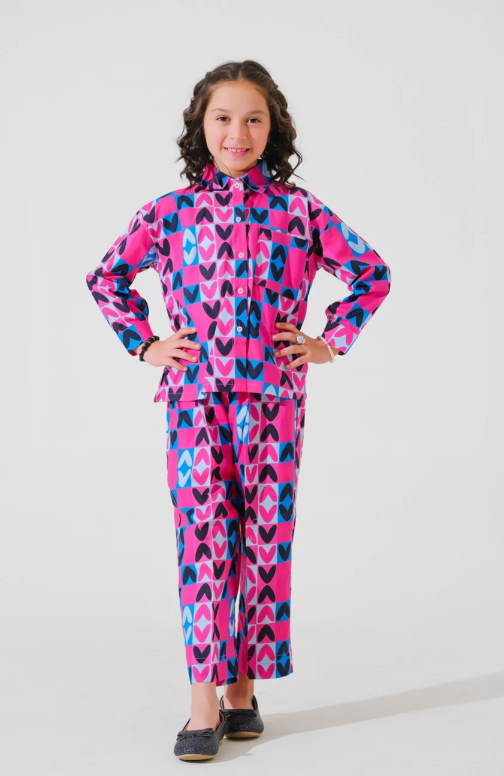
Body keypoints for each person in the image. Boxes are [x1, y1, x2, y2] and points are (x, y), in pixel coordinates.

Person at [85, 59, 392, 761]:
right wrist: (146, 345)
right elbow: (107, 278)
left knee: (262, 543)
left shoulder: (299, 211)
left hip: (275, 403)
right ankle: (203, 703)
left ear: (271, 127)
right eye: (223, 118)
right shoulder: (168, 212)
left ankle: (242, 693)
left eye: (253, 119)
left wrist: (326, 342)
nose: (237, 132)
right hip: (194, 401)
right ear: (201, 125)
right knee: (203, 543)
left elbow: (371, 273)